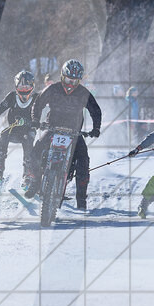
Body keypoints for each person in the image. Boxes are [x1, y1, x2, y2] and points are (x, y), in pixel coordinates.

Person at [23, 59, 102, 210]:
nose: (71, 84)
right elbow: (38, 104)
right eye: (68, 80)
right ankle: (35, 183)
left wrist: (96, 128)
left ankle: (81, 199)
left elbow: (95, 110)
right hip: (52, 128)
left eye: (74, 81)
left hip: (74, 132)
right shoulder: (52, 89)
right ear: (62, 76)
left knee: (83, 162)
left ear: (79, 81)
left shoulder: (84, 93)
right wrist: (35, 120)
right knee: (34, 154)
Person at [0, 69, 38, 186]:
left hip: (29, 130)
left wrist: (30, 122)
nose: (24, 91)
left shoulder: (36, 98)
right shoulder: (12, 97)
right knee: (4, 133)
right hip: (14, 129)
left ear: (32, 87)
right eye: (21, 87)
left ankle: (27, 172)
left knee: (28, 139)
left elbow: (42, 114)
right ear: (16, 86)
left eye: (26, 87)